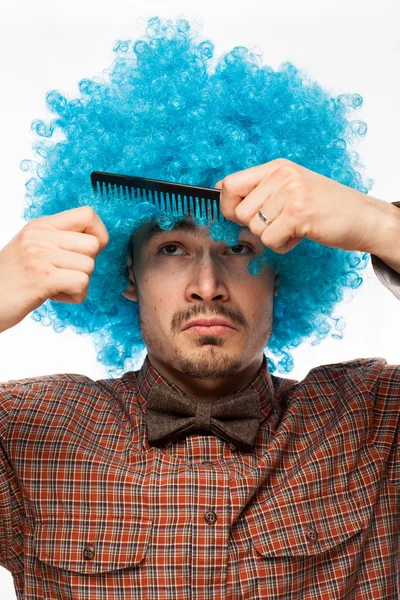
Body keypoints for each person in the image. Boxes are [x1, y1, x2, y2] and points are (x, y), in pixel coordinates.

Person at [0, 16, 399, 600]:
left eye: (239, 249)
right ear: (128, 273)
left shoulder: (377, 422)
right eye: (172, 247)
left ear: (285, 274)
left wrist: (383, 225)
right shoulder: (27, 430)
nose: (207, 285)